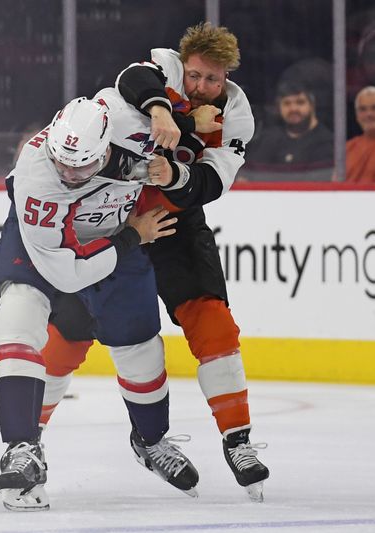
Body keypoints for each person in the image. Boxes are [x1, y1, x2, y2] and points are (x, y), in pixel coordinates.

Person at [39, 21, 271, 502]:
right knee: (69, 333)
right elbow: (131, 82)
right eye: (195, 75)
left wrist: (175, 175)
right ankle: (26, 439)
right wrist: (166, 111)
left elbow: (213, 183)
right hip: (109, 217)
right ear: (182, 65)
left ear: (227, 77)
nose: (202, 86)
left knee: (214, 323)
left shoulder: (239, 116)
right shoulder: (161, 68)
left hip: (173, 222)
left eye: (213, 79)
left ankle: (238, 441)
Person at [0, 96, 200, 511]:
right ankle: (21, 447)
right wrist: (133, 237)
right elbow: (68, 272)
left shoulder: (130, 119)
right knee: (18, 318)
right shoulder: (38, 175)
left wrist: (161, 109)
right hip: (53, 244)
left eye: (80, 166)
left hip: (116, 232)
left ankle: (151, 440)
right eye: (60, 163)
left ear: (106, 148)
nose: (67, 174)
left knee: (140, 345)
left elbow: (157, 69)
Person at [245, 80, 333, 168]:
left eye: (300, 102)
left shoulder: (326, 142)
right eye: (287, 103)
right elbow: (248, 175)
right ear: (279, 108)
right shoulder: (268, 138)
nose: (293, 109)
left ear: (312, 106)